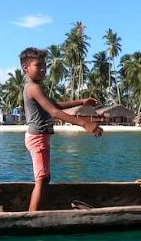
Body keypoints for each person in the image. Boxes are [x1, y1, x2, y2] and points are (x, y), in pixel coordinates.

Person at [20, 47, 103, 211]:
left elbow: (55, 105)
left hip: (39, 137)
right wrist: (84, 123)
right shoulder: (33, 87)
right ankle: (32, 217)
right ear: (26, 68)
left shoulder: (34, 86)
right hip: (38, 138)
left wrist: (81, 101)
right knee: (42, 179)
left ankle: (37, 211)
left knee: (45, 178)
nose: (43, 69)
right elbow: (54, 112)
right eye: (39, 66)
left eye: (45, 66)